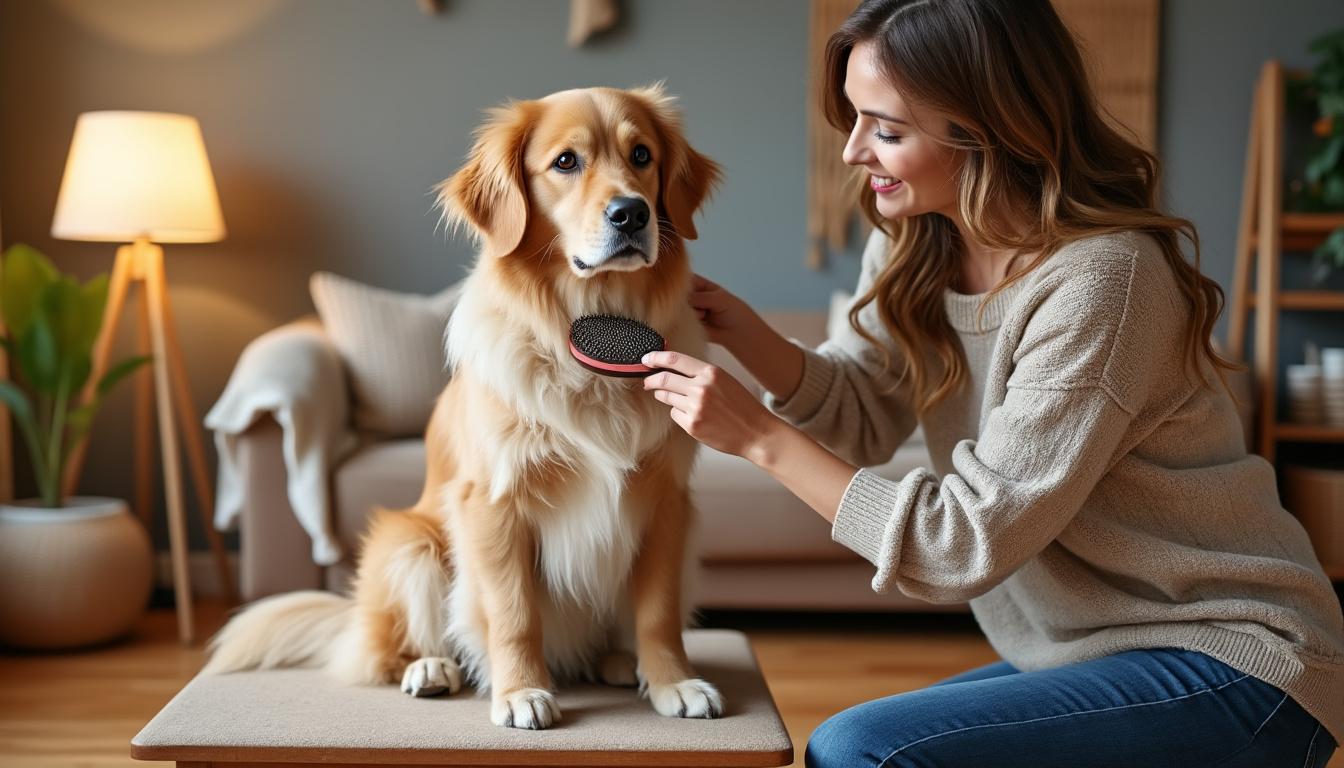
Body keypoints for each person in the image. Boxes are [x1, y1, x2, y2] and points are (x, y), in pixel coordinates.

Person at [638, 1, 1344, 765]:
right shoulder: (920, 242)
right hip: (1084, 650)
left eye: (887, 130)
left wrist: (758, 438)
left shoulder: (1104, 281)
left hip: (1237, 664)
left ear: (986, 127)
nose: (851, 153)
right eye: (852, 119)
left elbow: (960, 545)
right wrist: (741, 329)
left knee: (860, 752)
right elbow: (862, 414)